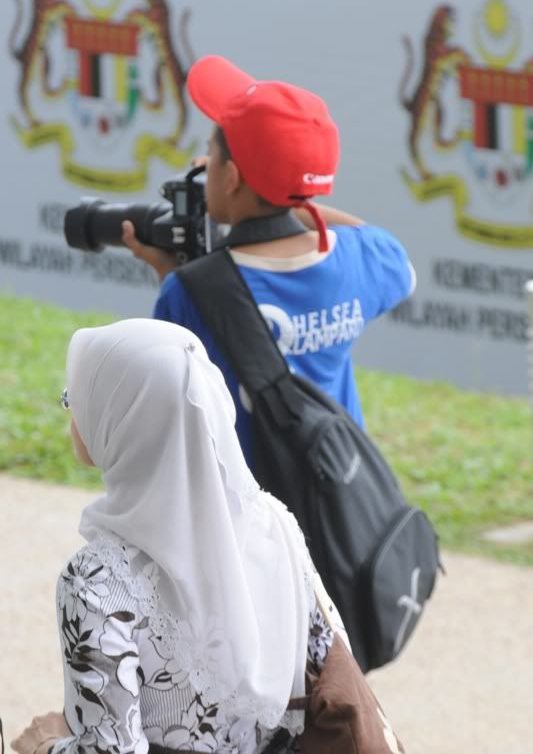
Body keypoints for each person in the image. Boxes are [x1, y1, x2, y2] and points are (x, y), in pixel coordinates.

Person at [11, 318, 347, 754]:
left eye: (79, 399)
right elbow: (333, 662)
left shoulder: (97, 580)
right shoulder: (274, 525)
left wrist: (44, 744)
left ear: (123, 419)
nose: (74, 410)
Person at [123, 55, 416, 465]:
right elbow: (376, 242)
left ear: (231, 178)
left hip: (246, 517)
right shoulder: (357, 259)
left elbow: (170, 410)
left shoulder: (189, 292)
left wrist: (171, 275)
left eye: (212, 158)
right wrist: (290, 197)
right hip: (335, 499)